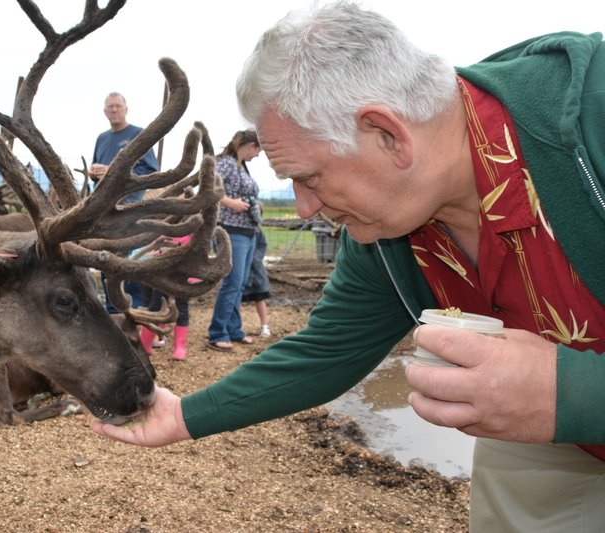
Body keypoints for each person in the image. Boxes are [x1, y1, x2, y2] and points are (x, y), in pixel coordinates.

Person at [91, 2, 605, 531]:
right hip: (556, 442)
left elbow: (563, 394)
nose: (306, 207)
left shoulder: (592, 120)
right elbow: (327, 349)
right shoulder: (387, 226)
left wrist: (571, 393)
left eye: (309, 178)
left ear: (387, 134)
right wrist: (185, 416)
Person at [90, 92, 159, 313]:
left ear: (126, 109)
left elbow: (150, 172)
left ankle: (133, 309)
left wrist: (112, 170)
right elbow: (96, 169)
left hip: (129, 210)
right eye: (110, 107)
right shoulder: (102, 138)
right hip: (104, 210)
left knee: (128, 259)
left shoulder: (138, 135)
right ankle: (112, 311)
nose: (114, 110)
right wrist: (93, 173)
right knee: (106, 258)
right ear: (104, 112)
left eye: (118, 106)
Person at [206, 130, 263, 351]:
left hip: (247, 232)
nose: (258, 155)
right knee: (231, 284)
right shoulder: (227, 163)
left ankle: (234, 329)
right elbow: (209, 187)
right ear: (250, 145)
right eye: (258, 150)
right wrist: (232, 203)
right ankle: (217, 332)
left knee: (239, 285)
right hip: (230, 232)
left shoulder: (241, 165)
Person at [139, 236, 192, 361]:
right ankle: (144, 344)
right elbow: (154, 244)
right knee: (156, 305)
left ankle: (180, 347)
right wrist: (154, 251)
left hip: (184, 271)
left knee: (182, 307)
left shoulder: (192, 226)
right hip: (163, 271)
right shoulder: (165, 224)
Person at [241, 218, 272, 338]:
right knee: (237, 298)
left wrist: (254, 260)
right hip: (242, 269)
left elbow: (262, 246)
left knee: (259, 298)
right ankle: (235, 326)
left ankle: (265, 326)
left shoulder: (258, 231)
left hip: (256, 271)